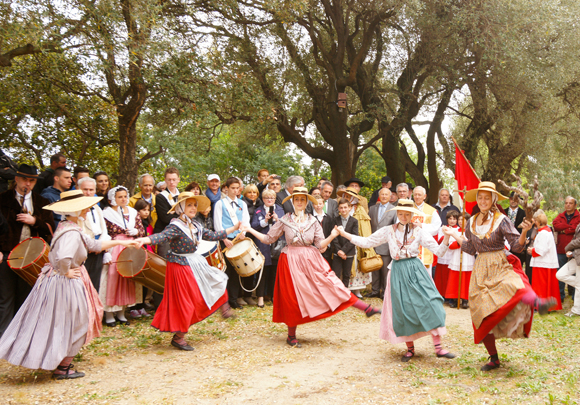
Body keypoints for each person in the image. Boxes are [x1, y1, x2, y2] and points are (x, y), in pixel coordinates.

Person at [0, 190, 137, 379]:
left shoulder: (68, 226)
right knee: (77, 322)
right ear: (77, 210)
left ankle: (58, 362)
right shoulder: (71, 231)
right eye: (85, 207)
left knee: (62, 322)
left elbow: (93, 245)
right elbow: (64, 256)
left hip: (60, 279)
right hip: (65, 282)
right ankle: (62, 368)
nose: (89, 210)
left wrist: (120, 244)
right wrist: (66, 270)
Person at [241, 187, 381, 348]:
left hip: (311, 259)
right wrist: (250, 229)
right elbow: (268, 238)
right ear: (293, 202)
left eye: (302, 199)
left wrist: (333, 236)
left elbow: (320, 245)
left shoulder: (313, 221)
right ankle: (291, 335)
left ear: (306, 202)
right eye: (296, 199)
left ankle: (366, 308)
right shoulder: (285, 220)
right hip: (290, 260)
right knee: (292, 297)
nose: (299, 202)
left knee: (332, 285)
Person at [448, 182, 557, 371]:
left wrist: (524, 231)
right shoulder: (472, 221)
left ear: (493, 200)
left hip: (499, 263)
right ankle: (494, 358)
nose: (483, 201)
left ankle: (538, 304)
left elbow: (516, 246)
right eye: (480, 197)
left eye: (487, 197)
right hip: (480, 269)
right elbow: (470, 248)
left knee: (516, 287)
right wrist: (455, 235)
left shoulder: (502, 219)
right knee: (480, 315)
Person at [337, 199, 456, 362]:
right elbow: (367, 242)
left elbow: (439, 251)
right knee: (403, 310)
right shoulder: (389, 230)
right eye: (401, 213)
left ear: (412, 214)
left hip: (416, 270)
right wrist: (344, 234)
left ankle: (438, 348)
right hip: (398, 271)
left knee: (432, 303)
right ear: (397, 213)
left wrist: (447, 237)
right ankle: (410, 349)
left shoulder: (419, 231)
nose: (404, 216)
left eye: (407, 214)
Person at [134, 193, 238, 350]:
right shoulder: (176, 226)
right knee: (186, 302)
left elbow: (213, 235)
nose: (193, 208)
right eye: (189, 205)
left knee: (216, 280)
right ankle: (179, 337)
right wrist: (145, 240)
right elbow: (161, 236)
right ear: (181, 208)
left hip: (193, 263)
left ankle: (224, 308)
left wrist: (235, 227)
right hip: (179, 267)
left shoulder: (195, 225)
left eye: (194, 205)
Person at [0, 164, 54, 337]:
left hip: (31, 257)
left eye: (31, 181)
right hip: (7, 254)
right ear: (16, 179)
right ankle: (4, 338)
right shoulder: (2, 199)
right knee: (5, 298)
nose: (28, 184)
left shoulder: (42, 202)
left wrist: (35, 221)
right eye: (24, 179)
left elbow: (51, 230)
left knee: (26, 298)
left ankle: (21, 337)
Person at [102, 186, 146, 327]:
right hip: (115, 246)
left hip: (130, 246)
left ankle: (122, 312)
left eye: (125, 196)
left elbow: (141, 231)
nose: (123, 199)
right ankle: (109, 314)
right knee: (113, 277)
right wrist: (106, 252)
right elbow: (104, 233)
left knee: (127, 279)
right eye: (120, 197)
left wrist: (136, 231)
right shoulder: (106, 213)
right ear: (113, 199)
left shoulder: (133, 212)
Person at [214, 177, 251, 308]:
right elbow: (217, 223)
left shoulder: (243, 204)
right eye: (232, 188)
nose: (235, 191)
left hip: (238, 239)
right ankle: (223, 301)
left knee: (236, 270)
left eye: (237, 188)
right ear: (226, 189)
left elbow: (246, 221)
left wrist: (243, 234)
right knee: (225, 271)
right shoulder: (220, 203)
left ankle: (234, 300)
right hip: (226, 240)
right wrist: (223, 238)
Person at [337, 187, 375, 297]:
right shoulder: (342, 208)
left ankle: (357, 291)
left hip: (356, 242)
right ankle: (346, 289)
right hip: (343, 241)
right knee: (346, 267)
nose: (347, 197)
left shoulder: (360, 210)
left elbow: (365, 227)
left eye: (349, 196)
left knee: (357, 265)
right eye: (345, 196)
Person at [251, 189, 285, 307]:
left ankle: (273, 296)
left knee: (275, 273)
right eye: (267, 198)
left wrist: (277, 219)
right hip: (263, 244)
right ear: (263, 199)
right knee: (263, 272)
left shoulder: (280, 210)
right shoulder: (258, 211)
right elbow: (253, 227)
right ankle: (260, 298)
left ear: (275, 199)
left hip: (277, 245)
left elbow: (286, 226)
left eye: (272, 198)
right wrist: (264, 221)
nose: (269, 200)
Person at [78, 177, 112, 292]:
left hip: (98, 249)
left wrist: (101, 245)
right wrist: (92, 245)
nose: (88, 193)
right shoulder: (74, 209)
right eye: (85, 189)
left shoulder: (97, 208)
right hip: (83, 251)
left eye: (91, 190)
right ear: (78, 189)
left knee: (94, 284)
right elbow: (78, 230)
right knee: (82, 285)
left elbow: (103, 230)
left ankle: (93, 309)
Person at [527, 210, 561, 311]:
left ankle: (540, 305)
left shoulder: (543, 233)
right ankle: (549, 306)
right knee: (549, 286)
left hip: (542, 263)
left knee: (541, 285)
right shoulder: (547, 231)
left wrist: (531, 250)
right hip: (547, 263)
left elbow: (541, 250)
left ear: (537, 222)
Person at [368, 188, 397, 298]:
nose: (384, 196)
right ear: (379, 195)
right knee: (374, 268)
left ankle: (385, 292)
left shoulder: (394, 209)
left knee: (385, 271)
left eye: (386, 194)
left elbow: (395, 228)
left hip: (386, 245)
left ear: (390, 196)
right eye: (382, 194)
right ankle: (375, 291)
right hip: (374, 244)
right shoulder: (372, 208)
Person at [552, 196, 579, 303]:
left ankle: (574, 296)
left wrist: (564, 230)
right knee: (560, 274)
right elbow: (555, 225)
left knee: (575, 273)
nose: (568, 205)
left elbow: (576, 228)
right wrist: (569, 227)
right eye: (566, 203)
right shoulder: (561, 215)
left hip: (575, 251)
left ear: (575, 205)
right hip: (561, 250)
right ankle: (561, 296)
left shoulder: (578, 216)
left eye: (570, 203)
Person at [444, 212, 473, 309]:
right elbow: (450, 246)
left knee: (466, 278)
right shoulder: (454, 230)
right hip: (457, 256)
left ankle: (465, 299)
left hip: (467, 256)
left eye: (463, 220)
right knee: (455, 278)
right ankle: (455, 298)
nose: (461, 222)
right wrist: (458, 242)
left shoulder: (472, 231)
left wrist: (465, 241)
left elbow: (475, 246)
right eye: (459, 220)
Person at [412, 186, 441, 276]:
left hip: (425, 247)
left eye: (419, 195)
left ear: (424, 196)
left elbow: (436, 227)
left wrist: (422, 225)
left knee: (425, 277)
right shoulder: (408, 209)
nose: (417, 197)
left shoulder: (431, 211)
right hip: (411, 245)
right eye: (415, 194)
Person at [154, 168, 181, 257]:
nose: (171, 182)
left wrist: (175, 214)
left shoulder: (182, 196)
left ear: (178, 180)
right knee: (165, 262)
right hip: (165, 234)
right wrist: (180, 216)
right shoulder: (160, 197)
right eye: (169, 180)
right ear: (165, 180)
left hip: (179, 234)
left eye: (174, 179)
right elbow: (165, 218)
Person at [331, 198, 358, 287]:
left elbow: (354, 237)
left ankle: (345, 294)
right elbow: (334, 237)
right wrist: (339, 251)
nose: (343, 210)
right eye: (341, 208)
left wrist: (344, 251)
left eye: (345, 207)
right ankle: (336, 294)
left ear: (350, 208)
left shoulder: (354, 221)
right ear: (338, 209)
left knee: (346, 275)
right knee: (336, 274)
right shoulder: (335, 220)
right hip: (337, 252)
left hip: (348, 252)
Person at [559, 223, 580, 317]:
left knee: (579, 285)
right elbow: (575, 239)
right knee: (560, 275)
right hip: (576, 257)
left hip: (577, 256)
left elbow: (578, 241)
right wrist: (570, 251)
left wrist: (568, 247)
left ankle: (576, 310)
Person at [506, 192, 527, 274]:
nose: (513, 201)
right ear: (509, 200)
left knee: (518, 271)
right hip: (504, 246)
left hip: (518, 245)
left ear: (518, 200)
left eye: (515, 199)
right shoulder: (503, 212)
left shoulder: (524, 213)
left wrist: (526, 239)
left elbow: (528, 228)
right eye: (511, 199)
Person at [312, 194, 334, 266]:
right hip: (313, 250)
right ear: (313, 205)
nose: (318, 205)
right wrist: (316, 247)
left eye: (320, 203)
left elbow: (330, 233)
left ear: (323, 204)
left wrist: (326, 246)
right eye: (316, 204)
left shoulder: (328, 218)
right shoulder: (310, 218)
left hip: (326, 250)